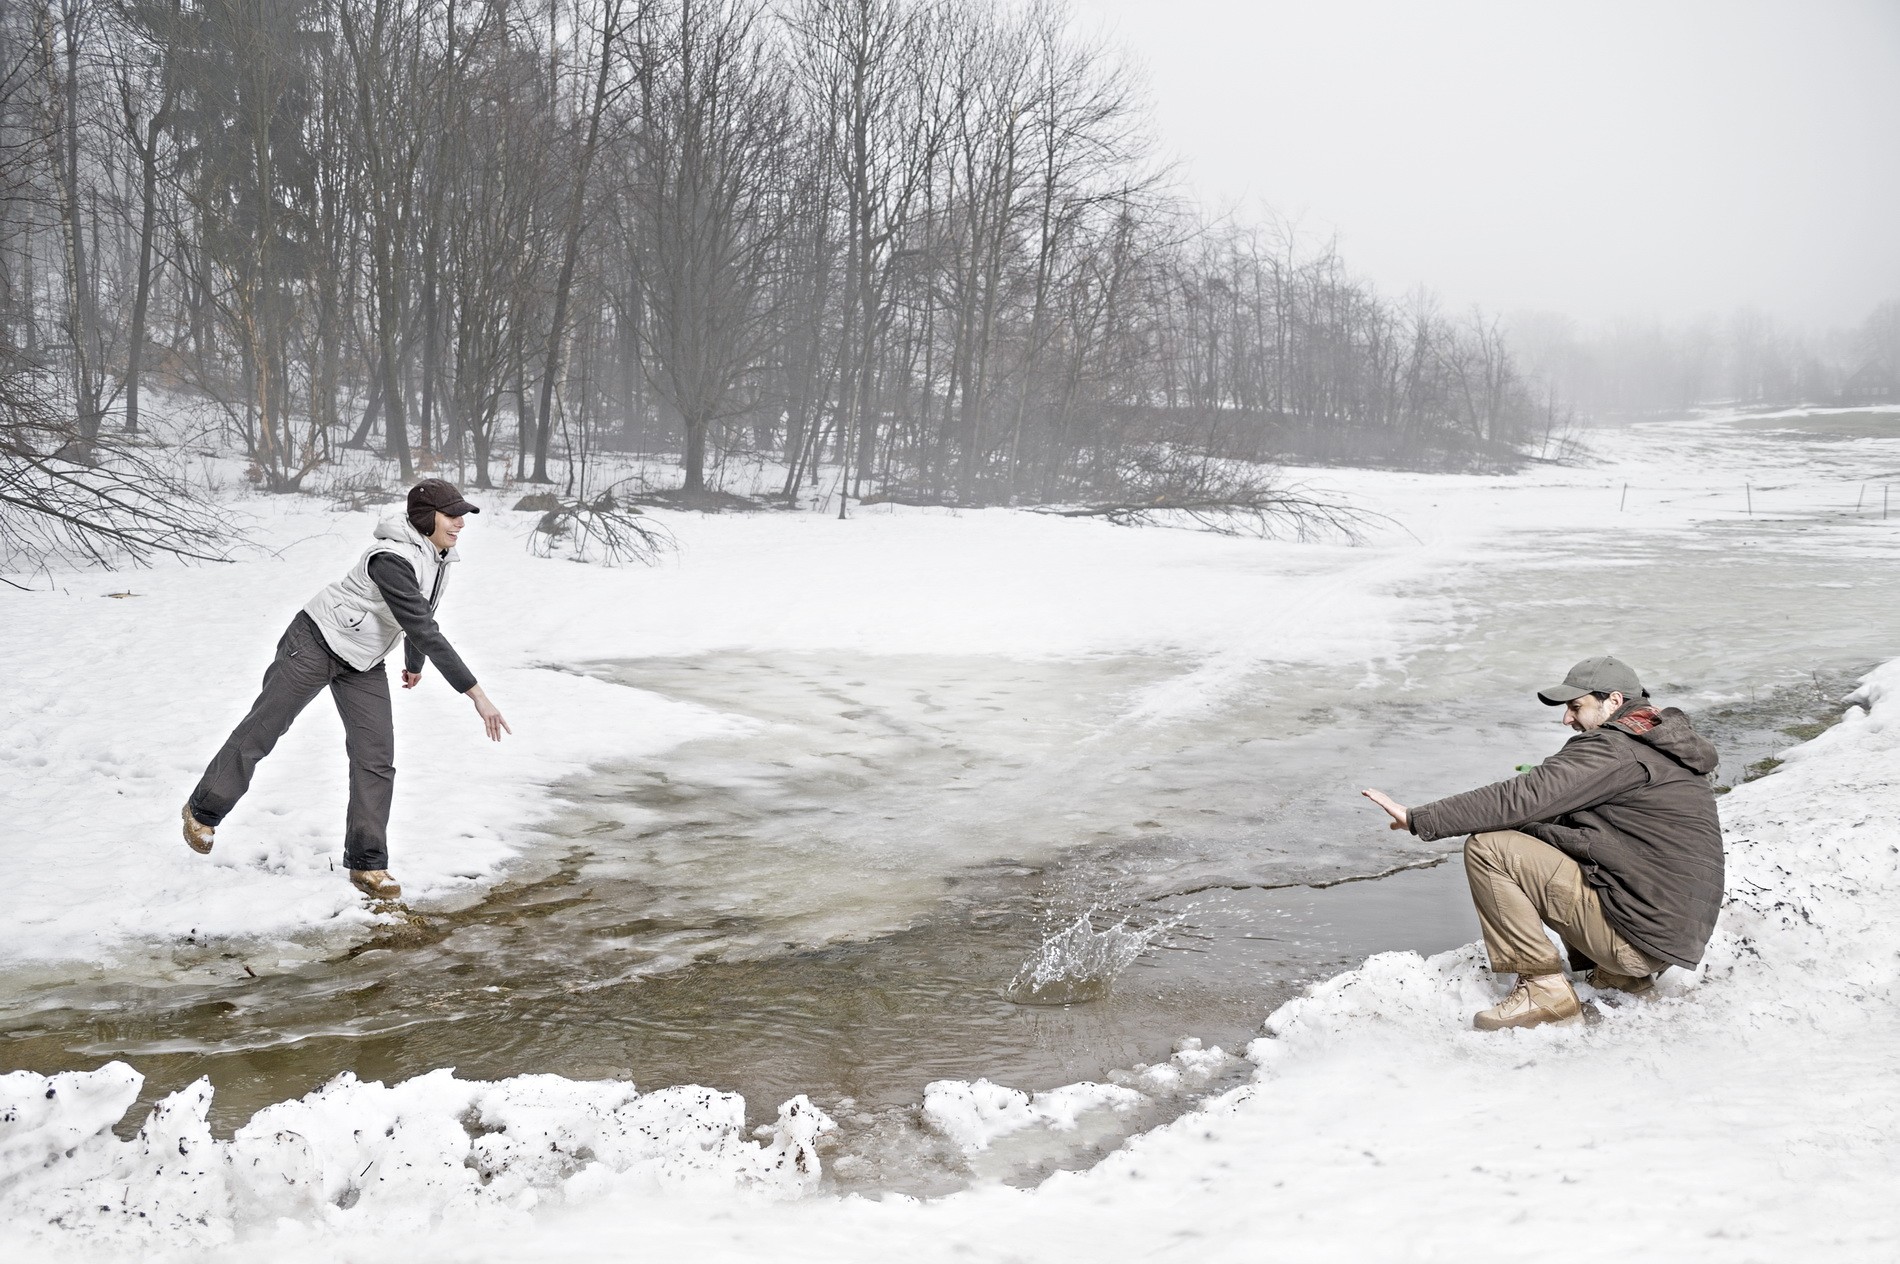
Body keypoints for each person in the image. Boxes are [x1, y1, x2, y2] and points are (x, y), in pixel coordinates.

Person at [181, 478, 510, 899]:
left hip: (364, 659)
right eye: (452, 515)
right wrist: (477, 695)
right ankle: (202, 810)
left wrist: (413, 665)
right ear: (427, 517)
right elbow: (422, 627)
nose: (461, 523)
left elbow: (420, 615)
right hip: (316, 640)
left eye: (462, 515)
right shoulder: (390, 558)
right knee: (265, 728)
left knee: (376, 758)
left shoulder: (437, 556)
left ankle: (367, 864)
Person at [1362, 655, 1722, 1031]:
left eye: (1576, 706)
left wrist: (1420, 818)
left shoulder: (1614, 748)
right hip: (1669, 940)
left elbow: (1522, 798)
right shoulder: (1661, 748)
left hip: (1637, 940)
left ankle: (1543, 988)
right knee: (1549, 833)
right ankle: (1620, 977)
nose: (1567, 719)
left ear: (1614, 701)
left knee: (1489, 848)